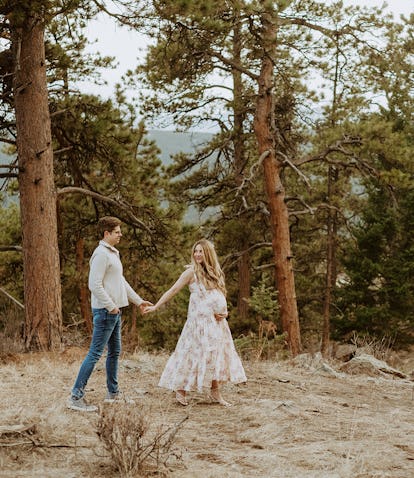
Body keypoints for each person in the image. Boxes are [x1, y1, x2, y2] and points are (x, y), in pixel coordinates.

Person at [143, 239, 246, 407]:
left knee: (216, 355)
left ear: (208, 254)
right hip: (198, 324)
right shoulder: (191, 272)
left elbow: (221, 295)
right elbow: (174, 289)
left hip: (216, 324)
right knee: (190, 354)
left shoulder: (216, 272)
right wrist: (156, 306)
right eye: (195, 251)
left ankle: (215, 392)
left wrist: (225, 312)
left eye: (201, 251)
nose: (197, 254)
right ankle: (181, 389)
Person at [67, 216, 152, 412]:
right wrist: (111, 306)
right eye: (117, 232)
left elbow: (121, 282)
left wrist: (138, 301)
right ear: (107, 234)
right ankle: (75, 397)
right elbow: (93, 284)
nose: (120, 234)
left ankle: (113, 394)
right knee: (95, 353)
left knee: (114, 352)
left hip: (114, 312)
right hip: (106, 312)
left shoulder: (113, 253)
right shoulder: (101, 254)